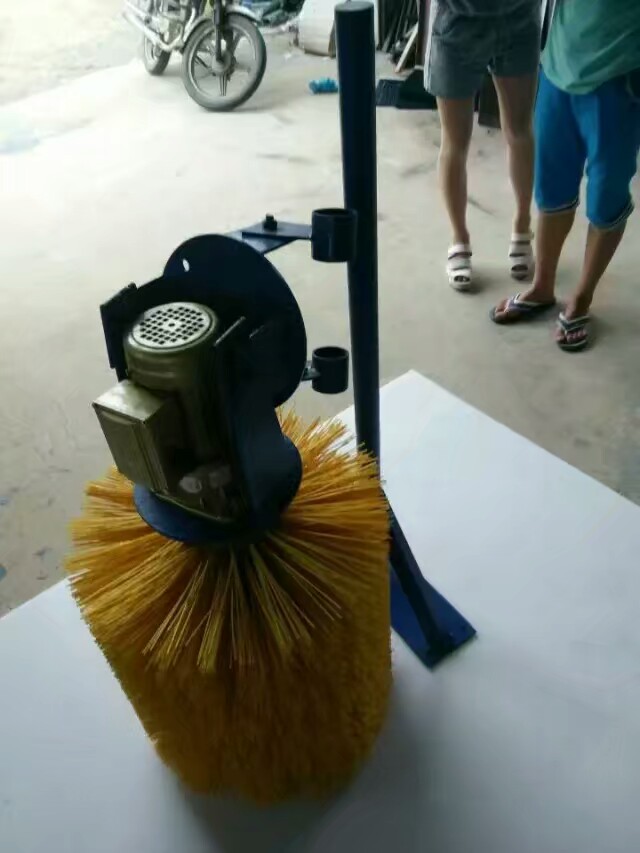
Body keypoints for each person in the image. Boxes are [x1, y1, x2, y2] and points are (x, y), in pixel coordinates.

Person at [491, 0, 640, 352]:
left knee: (606, 198)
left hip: (619, 80)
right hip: (559, 69)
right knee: (551, 188)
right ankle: (543, 287)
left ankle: (582, 299)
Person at [425, 0, 542, 291]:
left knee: (518, 131)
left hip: (518, 16)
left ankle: (522, 228)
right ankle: (459, 238)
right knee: (455, 142)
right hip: (459, 20)